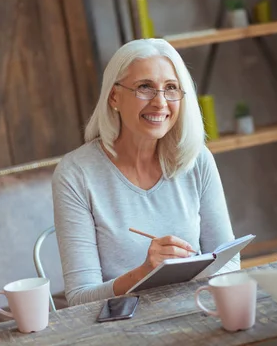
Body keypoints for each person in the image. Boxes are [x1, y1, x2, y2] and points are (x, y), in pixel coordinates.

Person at [52, 38, 239, 306]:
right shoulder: (75, 173)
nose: (160, 102)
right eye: (145, 87)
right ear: (114, 96)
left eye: (171, 88)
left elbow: (229, 260)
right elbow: (81, 299)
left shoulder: (198, 160)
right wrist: (145, 274)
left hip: (195, 309)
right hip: (121, 325)